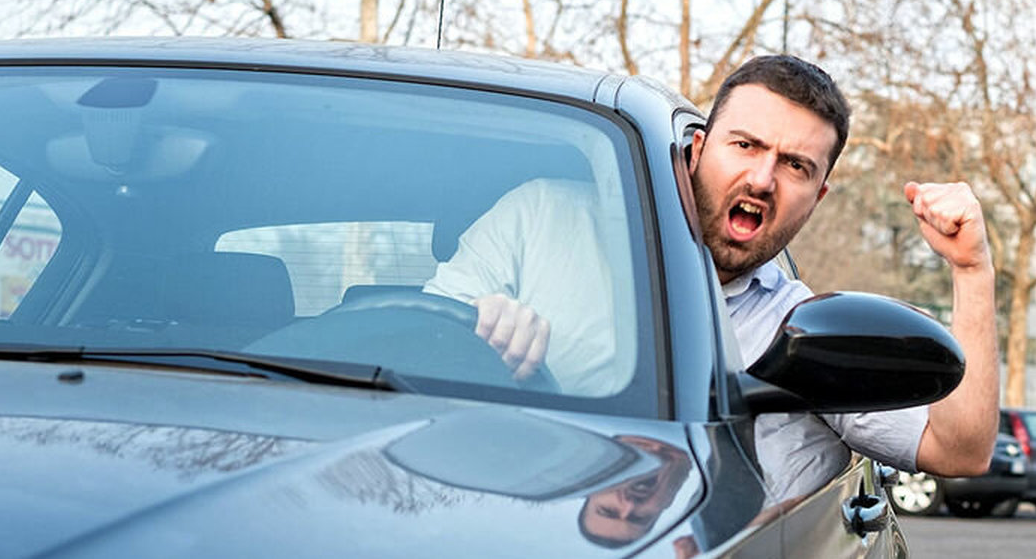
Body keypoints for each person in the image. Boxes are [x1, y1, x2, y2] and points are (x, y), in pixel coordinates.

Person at [426, 55, 998, 500]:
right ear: (697, 150)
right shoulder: (539, 215)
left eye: (795, 165)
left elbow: (961, 451)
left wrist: (971, 270)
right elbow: (410, 339)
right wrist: (468, 334)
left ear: (817, 197)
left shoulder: (799, 330)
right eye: (745, 145)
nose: (763, 178)